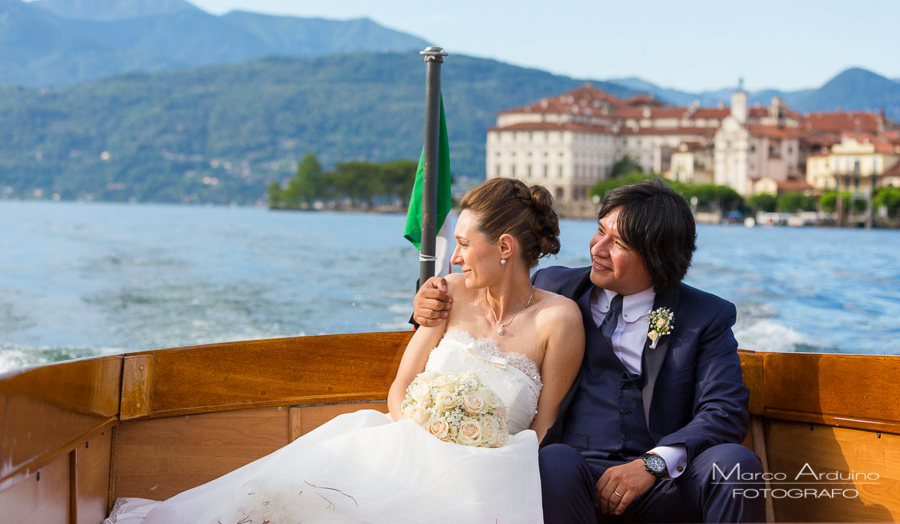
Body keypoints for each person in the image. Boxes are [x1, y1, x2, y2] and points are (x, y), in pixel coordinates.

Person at [105, 177, 584, 524]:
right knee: (278, 497)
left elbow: (542, 424)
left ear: (504, 246)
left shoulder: (559, 321)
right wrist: (415, 440)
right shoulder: (448, 293)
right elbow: (400, 389)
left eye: (463, 244)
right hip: (402, 446)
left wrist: (471, 463)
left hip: (487, 476)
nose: (455, 256)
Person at [414, 179, 765, 523]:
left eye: (619, 243)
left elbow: (725, 411)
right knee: (552, 461)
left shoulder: (706, 316)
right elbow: (485, 304)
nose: (597, 248)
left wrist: (652, 464)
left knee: (736, 464)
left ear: (657, 257)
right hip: (576, 476)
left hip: (667, 482)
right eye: (600, 231)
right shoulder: (552, 288)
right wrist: (428, 304)